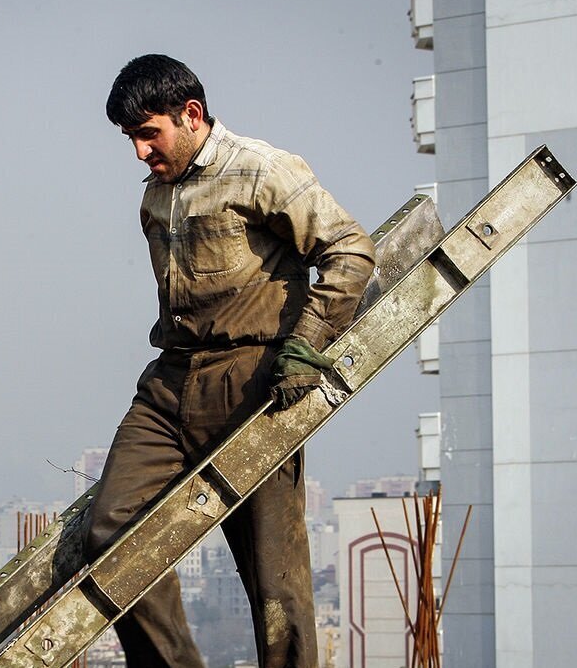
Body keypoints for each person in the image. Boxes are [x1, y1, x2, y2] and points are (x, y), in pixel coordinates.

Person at [83, 54, 376, 668]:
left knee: (276, 581)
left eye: (147, 133)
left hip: (254, 384)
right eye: (130, 138)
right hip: (170, 384)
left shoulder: (261, 170)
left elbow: (350, 251)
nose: (139, 152)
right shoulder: (156, 195)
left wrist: (305, 347)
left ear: (190, 115)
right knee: (112, 531)